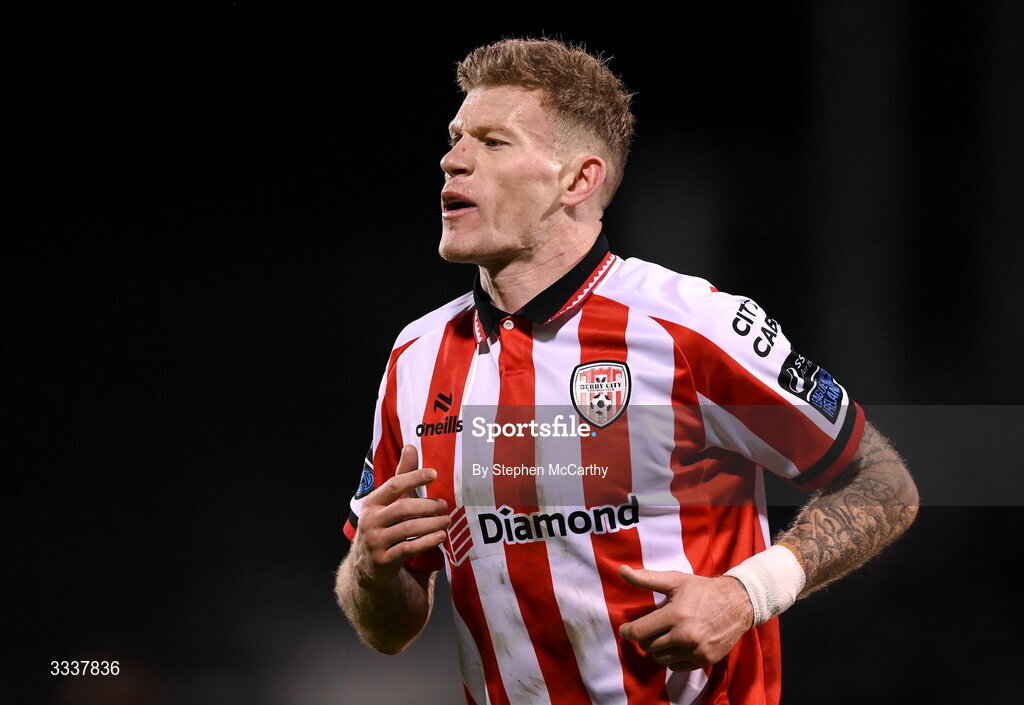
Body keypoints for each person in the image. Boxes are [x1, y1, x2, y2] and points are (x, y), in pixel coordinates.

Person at [334, 37, 918, 705]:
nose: (452, 159)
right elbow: (391, 628)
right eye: (455, 136)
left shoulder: (692, 326)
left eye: (492, 143)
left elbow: (883, 481)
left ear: (578, 180)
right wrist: (371, 571)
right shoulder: (418, 358)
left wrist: (745, 593)